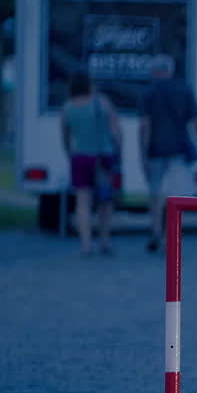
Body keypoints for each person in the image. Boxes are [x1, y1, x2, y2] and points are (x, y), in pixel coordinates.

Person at [139, 54, 197, 252]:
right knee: (176, 197)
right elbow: (195, 123)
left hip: (155, 151)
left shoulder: (148, 93)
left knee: (155, 195)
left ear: (156, 72)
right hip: (179, 150)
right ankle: (172, 238)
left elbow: (145, 126)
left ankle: (155, 233)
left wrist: (142, 154)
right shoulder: (184, 91)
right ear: (169, 71)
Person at [60, 70, 122, 258]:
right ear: (89, 85)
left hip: (80, 157)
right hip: (103, 157)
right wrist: (118, 153)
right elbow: (116, 132)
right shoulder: (103, 104)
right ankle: (104, 240)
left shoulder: (67, 108)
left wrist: (70, 154)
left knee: (82, 202)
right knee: (105, 201)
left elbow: (65, 137)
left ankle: (86, 244)